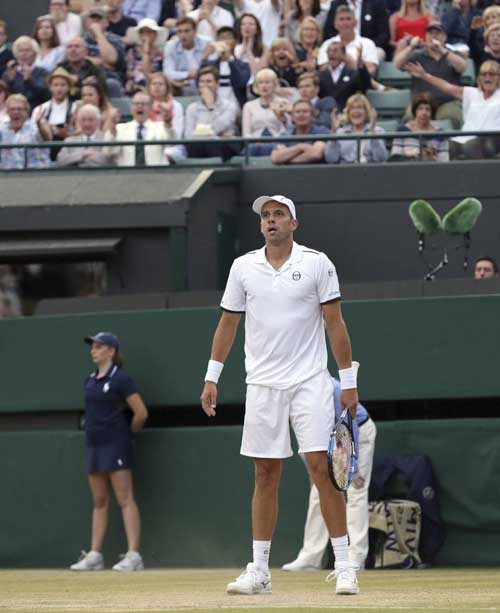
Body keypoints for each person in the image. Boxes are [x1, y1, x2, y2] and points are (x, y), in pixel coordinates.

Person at [200, 194, 361, 596]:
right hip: (262, 385)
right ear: (261, 226)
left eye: (279, 215)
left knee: (321, 470)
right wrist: (211, 377)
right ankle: (259, 570)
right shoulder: (243, 268)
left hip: (310, 382)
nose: (271, 221)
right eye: (266, 216)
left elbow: (335, 323)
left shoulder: (317, 263)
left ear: (294, 224)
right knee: (264, 473)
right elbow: (227, 325)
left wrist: (348, 381)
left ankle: (344, 566)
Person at [70, 332, 148, 572]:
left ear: (111, 351)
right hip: (94, 445)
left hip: (116, 445)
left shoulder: (121, 379)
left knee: (125, 499)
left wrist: (127, 435)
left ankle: (134, 555)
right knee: (99, 500)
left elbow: (141, 413)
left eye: (99, 347)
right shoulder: (89, 380)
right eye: (92, 347)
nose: (93, 350)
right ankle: (95, 555)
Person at [283, 376, 376, 571]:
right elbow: (303, 439)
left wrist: (354, 467)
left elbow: (349, 427)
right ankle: (311, 557)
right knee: (319, 492)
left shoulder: (331, 389)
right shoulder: (289, 395)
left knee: (355, 492)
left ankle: (356, 557)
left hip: (356, 433)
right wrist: (312, 473)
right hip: (326, 439)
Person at [406, 58, 500, 158]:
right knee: (447, 147)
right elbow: (447, 87)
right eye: (484, 74)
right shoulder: (472, 93)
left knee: (471, 146)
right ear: (479, 78)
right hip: (465, 139)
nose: (487, 78)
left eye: (492, 74)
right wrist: (424, 75)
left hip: (492, 140)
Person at [394, 21, 466, 128]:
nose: (434, 36)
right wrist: (411, 47)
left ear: (444, 37)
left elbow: (462, 67)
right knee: (410, 117)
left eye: (437, 33)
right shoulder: (417, 54)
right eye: (430, 33)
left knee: (452, 116)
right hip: (421, 101)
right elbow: (397, 64)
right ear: (426, 36)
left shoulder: (451, 54)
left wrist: (443, 51)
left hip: (448, 101)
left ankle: (451, 144)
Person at [184, 65, 239, 159]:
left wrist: (210, 107)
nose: (205, 85)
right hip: (198, 147)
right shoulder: (192, 108)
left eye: (209, 81)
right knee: (194, 146)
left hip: (223, 147)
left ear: (217, 84)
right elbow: (188, 136)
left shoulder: (229, 106)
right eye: (202, 82)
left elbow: (217, 128)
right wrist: (216, 135)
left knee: (213, 145)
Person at [106, 90, 175, 165]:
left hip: (156, 173)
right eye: (136, 104)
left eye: (144, 104)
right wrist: (112, 126)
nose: (139, 106)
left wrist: (168, 122)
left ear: (151, 108)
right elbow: (109, 152)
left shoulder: (161, 126)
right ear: (131, 108)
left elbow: (171, 142)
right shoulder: (119, 128)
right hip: (128, 174)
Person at [324, 92, 388, 163]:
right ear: (348, 113)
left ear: (366, 112)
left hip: (369, 171)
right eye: (352, 108)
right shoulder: (339, 133)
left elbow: (381, 158)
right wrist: (333, 132)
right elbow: (331, 159)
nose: (356, 111)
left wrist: (372, 131)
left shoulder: (378, 131)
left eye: (359, 108)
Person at [318, 5, 379, 76]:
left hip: (358, 84)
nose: (345, 23)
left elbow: (371, 71)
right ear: (335, 24)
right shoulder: (327, 44)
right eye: (341, 19)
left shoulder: (367, 43)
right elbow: (323, 70)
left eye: (348, 19)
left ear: (355, 23)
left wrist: (348, 60)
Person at [241, 68, 290, 155]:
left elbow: (288, 129)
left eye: (267, 82)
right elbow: (246, 133)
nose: (264, 86)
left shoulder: (284, 102)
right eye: (261, 83)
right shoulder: (248, 106)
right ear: (256, 86)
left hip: (278, 144)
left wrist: (283, 118)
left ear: (274, 85)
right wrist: (256, 142)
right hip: (255, 145)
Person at [390, 92, 449, 161]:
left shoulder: (440, 134)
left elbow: (445, 161)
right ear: (415, 111)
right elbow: (394, 157)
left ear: (432, 113)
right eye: (420, 108)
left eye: (427, 109)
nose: (423, 113)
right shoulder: (402, 130)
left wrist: (432, 159)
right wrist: (407, 155)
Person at [82, 5, 127, 97]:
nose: (95, 23)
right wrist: (97, 61)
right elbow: (75, 58)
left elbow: (111, 59)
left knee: (111, 84)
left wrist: (98, 33)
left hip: (109, 77)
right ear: (87, 22)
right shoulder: (81, 39)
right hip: (85, 75)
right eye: (92, 19)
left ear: (107, 22)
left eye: (99, 20)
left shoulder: (115, 39)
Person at [32, 67, 74, 161]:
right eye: (55, 85)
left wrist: (66, 133)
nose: (59, 88)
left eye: (63, 85)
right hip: (45, 155)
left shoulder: (75, 108)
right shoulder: (40, 109)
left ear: (68, 87)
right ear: (50, 87)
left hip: (68, 154)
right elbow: (34, 136)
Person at [323, 0, 390, 59]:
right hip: (341, 47)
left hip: (369, 47)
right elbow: (329, 31)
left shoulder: (376, 3)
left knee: (378, 53)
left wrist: (367, 46)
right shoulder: (336, 4)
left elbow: (384, 34)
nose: (345, 22)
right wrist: (343, 46)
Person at [0, 94, 50, 169]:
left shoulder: (36, 126)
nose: (16, 112)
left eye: (19, 109)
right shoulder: (2, 129)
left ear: (27, 111)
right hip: (9, 175)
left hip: (35, 173)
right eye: (12, 109)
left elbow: (47, 138)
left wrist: (39, 124)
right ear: (7, 112)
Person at [271, 98, 328, 164]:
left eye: (305, 111)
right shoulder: (285, 135)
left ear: (312, 116)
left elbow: (316, 154)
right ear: (292, 117)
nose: (301, 114)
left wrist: (288, 160)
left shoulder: (322, 131)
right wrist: (300, 147)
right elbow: (276, 158)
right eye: (297, 112)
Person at [318, 41, 371, 111]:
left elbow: (365, 86)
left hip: (347, 113)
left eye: (335, 50)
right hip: (325, 114)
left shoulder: (352, 74)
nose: (331, 53)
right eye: (329, 51)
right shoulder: (320, 75)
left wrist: (360, 65)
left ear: (343, 54)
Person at [163, 16, 209, 95]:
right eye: (179, 32)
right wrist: (188, 75)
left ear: (195, 31)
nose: (183, 35)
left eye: (187, 31)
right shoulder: (170, 46)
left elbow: (212, 69)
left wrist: (196, 74)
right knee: (169, 82)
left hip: (204, 84)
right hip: (180, 87)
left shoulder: (206, 43)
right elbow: (168, 72)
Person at [147, 71, 186, 162]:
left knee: (164, 154)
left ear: (167, 88)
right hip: (150, 145)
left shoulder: (176, 106)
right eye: (154, 84)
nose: (157, 86)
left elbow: (178, 134)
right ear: (149, 87)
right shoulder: (144, 105)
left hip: (172, 146)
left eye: (160, 84)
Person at [2, 36, 49, 110]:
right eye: (20, 51)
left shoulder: (42, 72)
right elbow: (3, 96)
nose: (24, 54)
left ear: (35, 54)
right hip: (13, 111)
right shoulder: (9, 72)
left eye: (27, 50)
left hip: (35, 109)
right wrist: (10, 81)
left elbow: (44, 94)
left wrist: (30, 80)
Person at [125, 18, 167, 94]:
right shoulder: (132, 51)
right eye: (142, 32)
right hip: (134, 83)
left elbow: (149, 71)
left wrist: (146, 47)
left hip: (153, 83)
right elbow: (129, 72)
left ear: (155, 34)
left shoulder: (159, 54)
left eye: (149, 32)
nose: (145, 35)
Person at [58, 36, 108, 100]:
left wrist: (77, 81)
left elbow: (102, 90)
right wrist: (85, 83)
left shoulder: (95, 69)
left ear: (86, 51)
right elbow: (55, 91)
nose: (73, 50)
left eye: (77, 46)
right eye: (69, 47)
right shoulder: (60, 68)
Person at [234, 13, 266, 78]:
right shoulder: (234, 47)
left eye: (251, 24)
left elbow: (258, 74)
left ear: (257, 29)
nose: (247, 27)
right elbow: (234, 68)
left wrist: (249, 51)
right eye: (243, 24)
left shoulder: (264, 49)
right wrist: (243, 49)